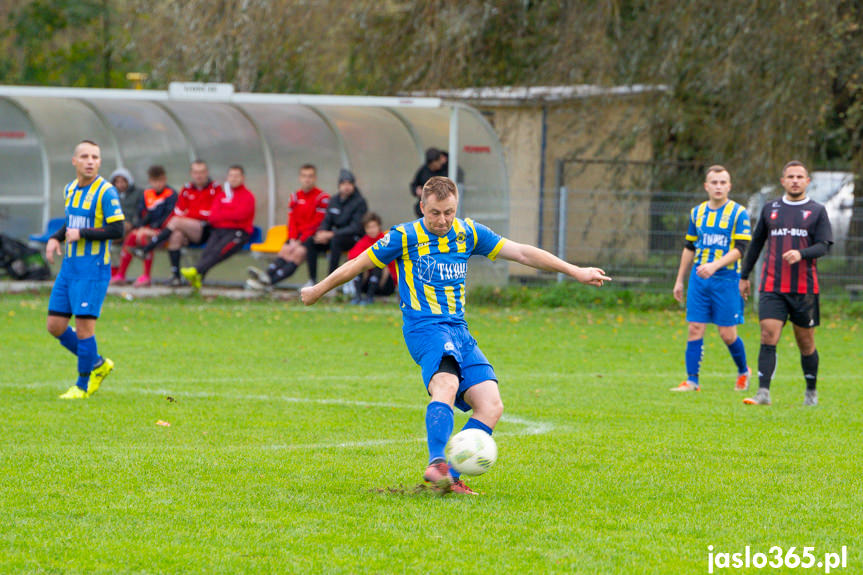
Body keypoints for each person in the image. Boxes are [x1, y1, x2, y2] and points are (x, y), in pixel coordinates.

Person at [300, 176, 610, 494]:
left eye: (449, 212)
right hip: (425, 328)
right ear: (422, 207)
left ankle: (453, 479)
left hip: (459, 330)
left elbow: (522, 254)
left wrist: (575, 271)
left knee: (491, 405)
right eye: (435, 212)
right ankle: (437, 463)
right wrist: (317, 290)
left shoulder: (468, 232)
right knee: (446, 383)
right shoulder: (404, 236)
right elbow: (356, 264)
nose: (442, 220)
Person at [739, 161, 833, 406]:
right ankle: (763, 393)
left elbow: (823, 245)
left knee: (806, 343)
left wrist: (801, 254)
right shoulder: (771, 209)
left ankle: (811, 392)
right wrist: (744, 276)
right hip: (772, 286)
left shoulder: (817, 210)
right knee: (768, 334)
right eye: (790, 176)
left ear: (807, 181)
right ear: (782, 181)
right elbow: (756, 244)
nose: (794, 180)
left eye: (799, 176)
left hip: (804, 289)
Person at [45, 140, 125, 399]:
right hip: (69, 268)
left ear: (100, 162)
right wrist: (56, 237)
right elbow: (71, 222)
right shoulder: (70, 189)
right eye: (85, 156)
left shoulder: (106, 192)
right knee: (55, 326)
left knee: (83, 330)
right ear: (74, 161)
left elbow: (117, 230)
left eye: (95, 157)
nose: (90, 161)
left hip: (92, 269)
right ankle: (98, 364)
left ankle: (82, 386)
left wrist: (83, 233)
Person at [670, 165, 752, 392]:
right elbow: (689, 246)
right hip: (699, 279)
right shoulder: (697, 213)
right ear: (706, 186)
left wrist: (715, 265)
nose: (718, 186)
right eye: (714, 182)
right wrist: (679, 280)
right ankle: (692, 380)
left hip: (726, 279)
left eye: (723, 182)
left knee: (727, 334)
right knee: (695, 327)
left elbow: (741, 248)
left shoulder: (738, 213)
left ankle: (743, 370)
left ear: (729, 186)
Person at [134, 160, 221, 286]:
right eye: (196, 172)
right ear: (191, 174)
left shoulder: (215, 188)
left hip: (207, 230)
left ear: (206, 173)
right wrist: (191, 216)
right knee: (176, 235)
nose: (199, 175)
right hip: (187, 229)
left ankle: (147, 249)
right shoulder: (187, 189)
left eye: (202, 172)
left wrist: (190, 215)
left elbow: (213, 214)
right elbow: (178, 210)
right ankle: (176, 276)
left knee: (176, 222)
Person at [246, 164, 329, 291]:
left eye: (310, 176)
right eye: (304, 176)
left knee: (297, 253)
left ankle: (268, 283)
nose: (307, 179)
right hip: (297, 237)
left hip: (310, 238)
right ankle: (266, 277)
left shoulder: (322, 198)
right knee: (285, 250)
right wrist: (292, 239)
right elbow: (292, 221)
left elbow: (316, 223)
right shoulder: (295, 196)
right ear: (300, 178)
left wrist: (300, 241)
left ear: (315, 178)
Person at [181, 165, 256, 291]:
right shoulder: (221, 196)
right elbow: (213, 216)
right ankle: (196, 281)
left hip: (238, 232)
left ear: (242, 178)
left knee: (218, 251)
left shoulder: (248, 196)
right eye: (231, 175)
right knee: (208, 251)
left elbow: (241, 215)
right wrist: (229, 214)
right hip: (219, 230)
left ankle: (195, 271)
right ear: (227, 177)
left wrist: (224, 213)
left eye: (237, 176)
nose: (233, 178)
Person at [111, 165, 177, 287]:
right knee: (131, 236)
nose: (157, 184)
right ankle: (121, 274)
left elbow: (169, 216)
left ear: (165, 179)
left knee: (143, 237)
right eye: (154, 181)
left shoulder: (171, 194)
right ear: (150, 181)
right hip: (147, 230)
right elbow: (142, 214)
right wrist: (140, 227)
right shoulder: (147, 193)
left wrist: (150, 229)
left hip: (164, 232)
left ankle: (146, 276)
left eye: (160, 181)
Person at [306, 168, 367, 283]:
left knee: (336, 240)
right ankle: (312, 280)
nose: (346, 186)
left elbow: (355, 227)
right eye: (343, 183)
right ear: (339, 185)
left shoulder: (359, 202)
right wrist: (322, 233)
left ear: (353, 185)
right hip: (335, 235)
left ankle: (331, 282)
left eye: (349, 183)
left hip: (353, 238)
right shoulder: (334, 200)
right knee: (311, 241)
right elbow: (327, 220)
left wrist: (331, 234)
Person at [347, 212, 396, 305]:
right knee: (359, 264)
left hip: (386, 284)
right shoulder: (363, 241)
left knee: (378, 262)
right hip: (367, 283)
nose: (371, 230)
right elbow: (351, 256)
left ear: (379, 226)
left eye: (373, 226)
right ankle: (358, 296)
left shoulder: (386, 239)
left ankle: (370, 297)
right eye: (368, 227)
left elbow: (392, 263)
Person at [410, 148, 446, 218]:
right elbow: (413, 185)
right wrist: (416, 191)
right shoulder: (423, 170)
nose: (435, 167)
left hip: (440, 206)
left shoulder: (446, 170)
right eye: (432, 165)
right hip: (424, 208)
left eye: (437, 163)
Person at [109, 167, 144, 235]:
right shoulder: (111, 195)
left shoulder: (139, 193)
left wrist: (132, 223)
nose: (120, 185)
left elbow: (140, 212)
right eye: (117, 182)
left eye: (123, 181)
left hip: (131, 225)